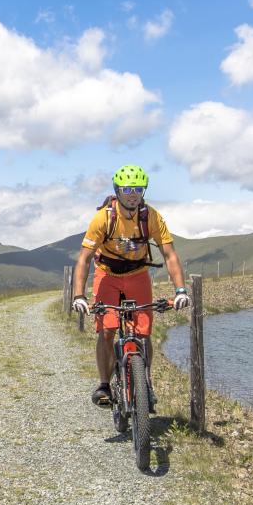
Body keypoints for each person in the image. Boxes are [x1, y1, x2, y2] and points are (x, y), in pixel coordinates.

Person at [71, 164, 190, 410]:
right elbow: (83, 258)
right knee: (106, 330)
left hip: (138, 274)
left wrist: (180, 290)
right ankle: (104, 385)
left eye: (138, 188)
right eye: (127, 189)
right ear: (118, 190)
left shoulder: (151, 217)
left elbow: (169, 255)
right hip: (107, 275)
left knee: (143, 333)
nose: (132, 194)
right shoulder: (103, 218)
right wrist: (79, 295)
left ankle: (145, 383)